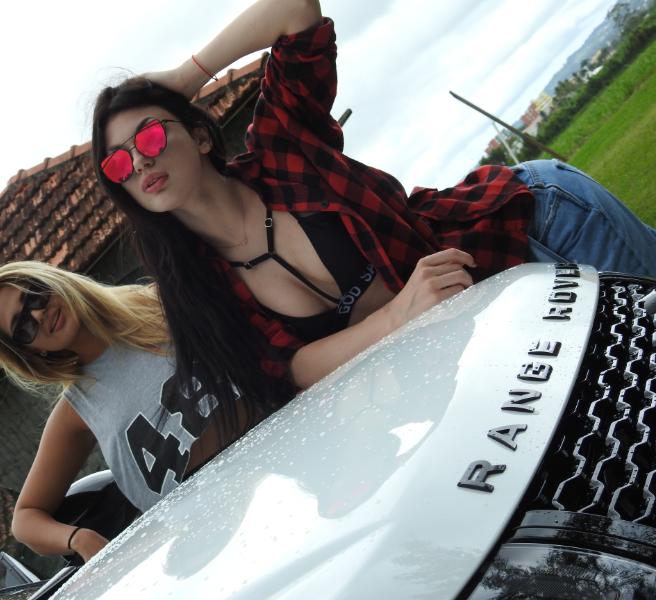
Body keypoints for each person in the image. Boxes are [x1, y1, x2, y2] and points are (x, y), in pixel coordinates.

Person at [90, 0, 656, 404]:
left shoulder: (282, 146)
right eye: (118, 162)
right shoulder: (199, 284)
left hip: (534, 231)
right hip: (485, 342)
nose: (138, 161)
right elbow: (291, 369)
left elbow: (295, 10)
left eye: (150, 136)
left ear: (201, 137)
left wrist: (182, 78)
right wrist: (397, 313)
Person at [0, 261, 260, 562]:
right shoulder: (76, 411)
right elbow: (25, 519)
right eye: (23, 327)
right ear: (30, 350)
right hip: (205, 540)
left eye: (34, 295)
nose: (38, 315)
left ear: (54, 281)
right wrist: (79, 539)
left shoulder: (161, 303)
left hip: (274, 462)